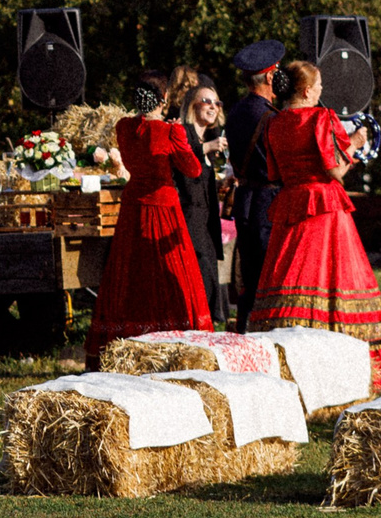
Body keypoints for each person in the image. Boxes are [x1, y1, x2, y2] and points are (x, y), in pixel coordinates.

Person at [248, 59, 381, 375]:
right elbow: (335, 170)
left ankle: (283, 358)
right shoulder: (320, 119)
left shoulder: (272, 123)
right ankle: (345, 363)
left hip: (290, 203)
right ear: (306, 91)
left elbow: (275, 173)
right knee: (334, 277)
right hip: (324, 206)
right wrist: (356, 144)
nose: (321, 91)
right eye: (318, 86)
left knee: (290, 274)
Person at [86, 70, 212, 361]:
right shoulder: (169, 132)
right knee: (167, 275)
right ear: (164, 98)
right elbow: (192, 170)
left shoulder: (123, 127)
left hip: (133, 207)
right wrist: (179, 134)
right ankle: (173, 344)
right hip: (163, 207)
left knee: (130, 275)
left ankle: (123, 343)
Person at [223, 41, 283, 331]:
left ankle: (245, 333)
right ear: (271, 77)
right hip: (269, 204)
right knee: (268, 279)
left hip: (245, 200)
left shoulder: (235, 111)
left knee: (248, 279)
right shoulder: (272, 117)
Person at [175, 75, 231, 326]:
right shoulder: (183, 133)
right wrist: (207, 148)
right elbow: (181, 158)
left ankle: (205, 326)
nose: (212, 106)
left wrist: (220, 185)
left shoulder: (204, 139)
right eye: (205, 101)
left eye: (216, 103)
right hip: (188, 220)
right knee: (203, 271)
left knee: (209, 273)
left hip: (206, 222)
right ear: (192, 106)